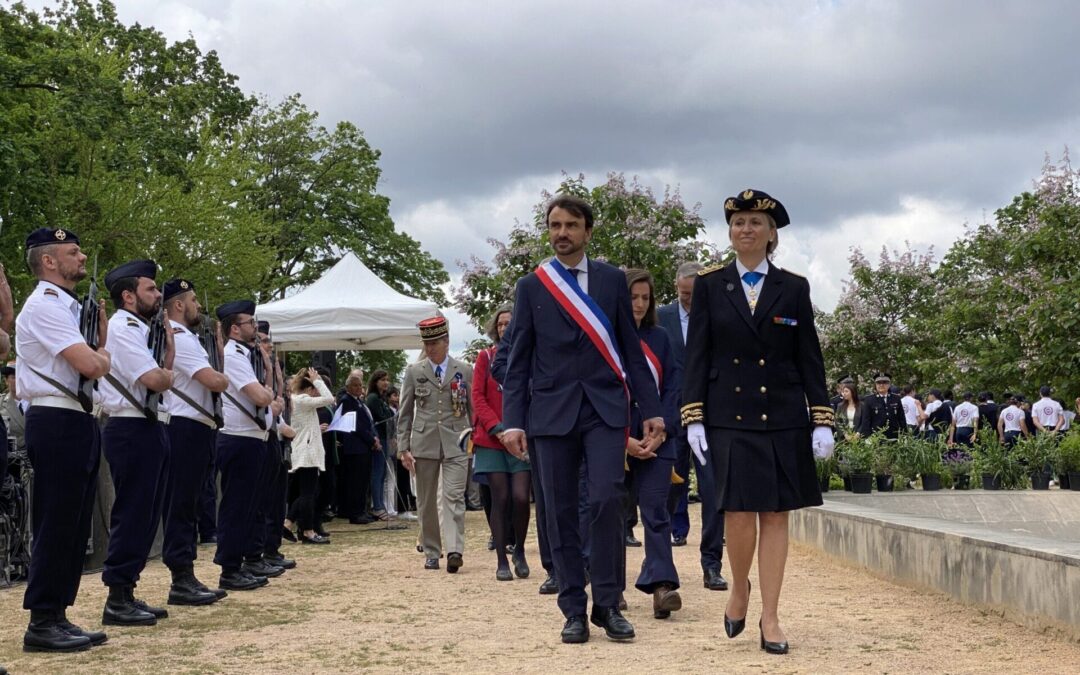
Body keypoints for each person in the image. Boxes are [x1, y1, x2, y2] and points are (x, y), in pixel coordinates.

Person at [502, 194, 665, 644]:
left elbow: (631, 351)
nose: (562, 233)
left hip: (606, 410)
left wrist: (651, 410)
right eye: (555, 225)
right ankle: (573, 608)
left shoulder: (613, 281)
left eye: (571, 225)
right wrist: (511, 420)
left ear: (588, 231)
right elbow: (518, 360)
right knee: (558, 511)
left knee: (607, 501)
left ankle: (608, 604)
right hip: (550, 414)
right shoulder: (532, 286)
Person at [681, 189, 834, 655]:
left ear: (771, 234)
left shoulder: (794, 287)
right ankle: (738, 588)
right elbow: (697, 354)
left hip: (783, 416)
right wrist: (694, 417)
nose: (745, 229)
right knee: (739, 513)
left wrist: (821, 417)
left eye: (754, 223)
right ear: (729, 231)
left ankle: (770, 614)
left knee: (775, 514)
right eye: (738, 221)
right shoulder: (709, 285)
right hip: (730, 415)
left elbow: (809, 357)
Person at [17, 228, 112, 652]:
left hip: (76, 417)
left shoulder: (68, 306)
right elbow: (90, 364)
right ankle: (41, 620)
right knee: (56, 521)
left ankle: (57, 613)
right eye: (74, 252)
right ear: (50, 262)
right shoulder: (45, 305)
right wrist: (104, 352)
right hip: (55, 416)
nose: (82, 256)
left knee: (74, 527)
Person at [98, 259, 175, 626]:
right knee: (132, 513)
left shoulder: (142, 329)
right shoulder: (123, 327)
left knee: (146, 514)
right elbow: (154, 379)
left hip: (148, 425)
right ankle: (116, 596)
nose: (158, 295)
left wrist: (167, 367)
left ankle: (127, 588)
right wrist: (166, 371)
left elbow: (163, 374)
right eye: (151, 289)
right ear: (128, 296)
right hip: (130, 428)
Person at [160, 278, 229, 606]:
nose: (198, 306)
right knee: (182, 504)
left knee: (191, 503)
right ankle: (180, 577)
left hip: (197, 427)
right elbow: (214, 381)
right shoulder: (180, 338)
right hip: (185, 427)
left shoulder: (187, 337)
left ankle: (186, 574)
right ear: (178, 305)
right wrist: (222, 373)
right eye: (193, 300)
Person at [624, 269, 683, 620]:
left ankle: (662, 587)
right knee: (612, 516)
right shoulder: (609, 337)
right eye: (633, 297)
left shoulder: (660, 338)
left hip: (659, 441)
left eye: (646, 297)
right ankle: (610, 588)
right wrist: (623, 439)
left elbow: (674, 388)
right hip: (615, 439)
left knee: (656, 513)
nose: (640, 304)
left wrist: (662, 431)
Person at [398, 316, 474, 573]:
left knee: (454, 496)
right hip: (424, 442)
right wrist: (402, 447)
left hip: (457, 442)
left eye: (435, 342)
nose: (430, 348)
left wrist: (476, 443)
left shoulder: (464, 370)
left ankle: (454, 550)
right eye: (426, 342)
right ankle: (432, 550)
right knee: (427, 500)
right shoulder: (414, 371)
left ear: (447, 341)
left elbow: (472, 411)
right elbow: (405, 412)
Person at [214, 300, 278, 591]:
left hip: (252, 437)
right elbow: (262, 397)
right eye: (250, 322)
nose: (255, 326)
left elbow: (271, 394)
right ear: (235, 328)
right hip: (238, 437)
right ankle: (229, 567)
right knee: (236, 506)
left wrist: (266, 368)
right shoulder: (233, 355)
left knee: (250, 505)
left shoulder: (247, 354)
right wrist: (266, 393)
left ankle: (240, 561)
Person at [471, 303, 533, 581]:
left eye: (510, 323)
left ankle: (519, 550)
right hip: (491, 439)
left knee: (521, 498)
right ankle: (501, 560)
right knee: (501, 497)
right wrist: (497, 428)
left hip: (520, 439)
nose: (505, 328)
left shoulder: (529, 356)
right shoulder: (485, 356)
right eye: (500, 324)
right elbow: (478, 397)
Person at [285, 367, 335, 543]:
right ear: (310, 388)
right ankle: (305, 530)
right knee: (308, 493)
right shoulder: (303, 399)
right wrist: (318, 381)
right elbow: (329, 399)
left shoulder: (294, 400)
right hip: (308, 452)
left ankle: (291, 524)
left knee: (304, 493)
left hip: (301, 449)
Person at [338, 370, 380, 524]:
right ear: (348, 387)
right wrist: (371, 440)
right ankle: (355, 513)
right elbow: (356, 425)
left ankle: (363, 510)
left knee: (363, 481)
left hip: (364, 447)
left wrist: (374, 438)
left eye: (360, 386)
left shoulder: (359, 401)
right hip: (355, 447)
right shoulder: (346, 401)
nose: (358, 388)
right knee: (356, 481)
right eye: (354, 386)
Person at [366, 370, 395, 520]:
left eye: (387, 380)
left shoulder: (381, 398)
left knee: (382, 473)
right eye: (382, 380)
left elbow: (390, 415)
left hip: (385, 438)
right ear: (375, 381)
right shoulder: (372, 398)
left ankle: (380, 505)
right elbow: (383, 417)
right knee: (377, 474)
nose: (386, 382)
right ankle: (377, 506)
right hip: (378, 439)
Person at [858, 373, 904, 439]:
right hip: (876, 438)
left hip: (894, 437)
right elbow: (866, 421)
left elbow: (901, 418)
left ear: (889, 384)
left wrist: (904, 435)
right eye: (879, 383)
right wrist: (867, 437)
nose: (881, 385)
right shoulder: (869, 399)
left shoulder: (896, 398)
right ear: (875, 385)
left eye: (885, 382)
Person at [1, 365, 27, 456]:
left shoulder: (38, 402)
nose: (17, 380)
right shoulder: (1, 404)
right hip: (12, 460)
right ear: (6, 380)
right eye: (13, 377)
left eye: (21, 376)